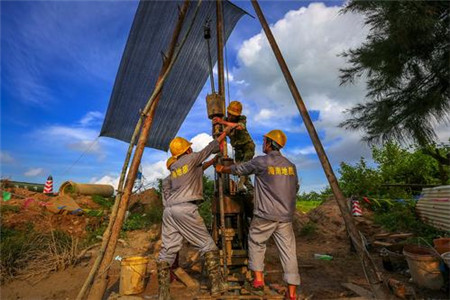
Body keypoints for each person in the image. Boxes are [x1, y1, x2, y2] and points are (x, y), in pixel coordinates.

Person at [215, 129, 300, 300]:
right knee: (289, 252)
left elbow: (240, 169)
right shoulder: (290, 166)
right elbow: (295, 187)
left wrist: (222, 168)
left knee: (256, 242)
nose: (262, 144)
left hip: (265, 215)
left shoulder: (261, 162)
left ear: (269, 143)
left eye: (264, 141)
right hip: (285, 217)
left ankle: (258, 282)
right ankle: (292, 294)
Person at [157, 127, 232, 300]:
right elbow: (210, 147)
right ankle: (216, 286)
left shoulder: (175, 167)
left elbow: (197, 168)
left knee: (167, 250)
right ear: (188, 150)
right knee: (208, 246)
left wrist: (211, 163)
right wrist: (226, 131)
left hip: (169, 212)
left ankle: (163, 295)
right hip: (185, 208)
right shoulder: (191, 158)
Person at [213, 100, 255, 193]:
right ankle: (251, 190)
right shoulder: (225, 120)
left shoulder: (241, 119)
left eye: (234, 115)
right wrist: (217, 124)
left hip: (247, 146)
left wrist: (223, 123)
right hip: (238, 150)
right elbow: (218, 131)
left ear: (237, 115)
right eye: (230, 114)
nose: (231, 117)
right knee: (241, 171)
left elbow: (240, 126)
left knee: (244, 166)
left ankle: (241, 186)